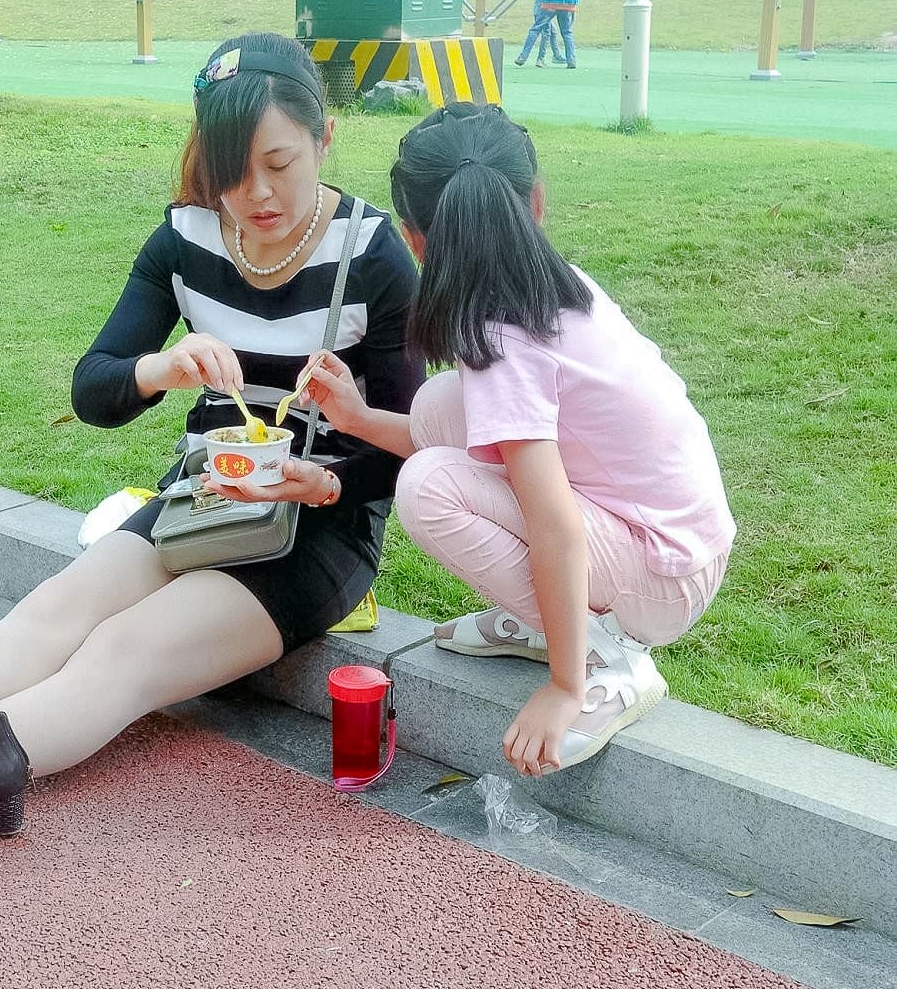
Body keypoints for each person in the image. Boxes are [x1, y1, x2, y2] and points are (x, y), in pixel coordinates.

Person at [0, 31, 425, 840]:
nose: (256, 194)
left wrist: (326, 479)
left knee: (120, 652)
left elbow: (410, 448)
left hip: (318, 531)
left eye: (279, 163)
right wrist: (162, 369)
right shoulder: (186, 241)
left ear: (323, 137)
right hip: (204, 497)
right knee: (51, 613)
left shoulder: (374, 259)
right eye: (230, 173)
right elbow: (94, 390)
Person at [297, 103, 735, 777]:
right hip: (672, 538)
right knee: (444, 403)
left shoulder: (504, 342)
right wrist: (356, 419)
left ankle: (603, 656)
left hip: (663, 571)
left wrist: (564, 687)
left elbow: (554, 523)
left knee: (428, 487)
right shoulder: (542, 292)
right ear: (535, 202)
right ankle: (556, 621)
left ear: (415, 242)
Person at [515, 0, 580, 69]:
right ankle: (571, 60)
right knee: (567, 32)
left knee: (536, 28)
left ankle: (523, 57)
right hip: (568, 0)